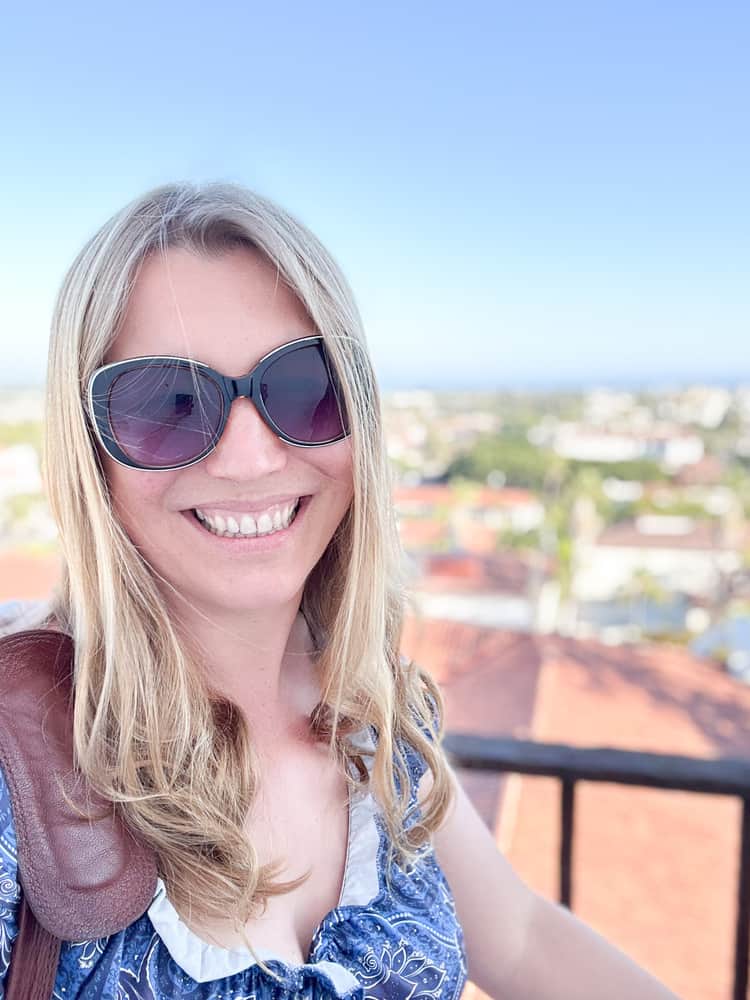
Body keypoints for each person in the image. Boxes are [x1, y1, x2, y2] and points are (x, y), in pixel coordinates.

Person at [0, 182, 679, 999]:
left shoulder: (375, 720)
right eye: (169, 404)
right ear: (91, 452)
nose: (249, 459)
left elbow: (520, 936)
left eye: (303, 387)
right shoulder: (17, 775)